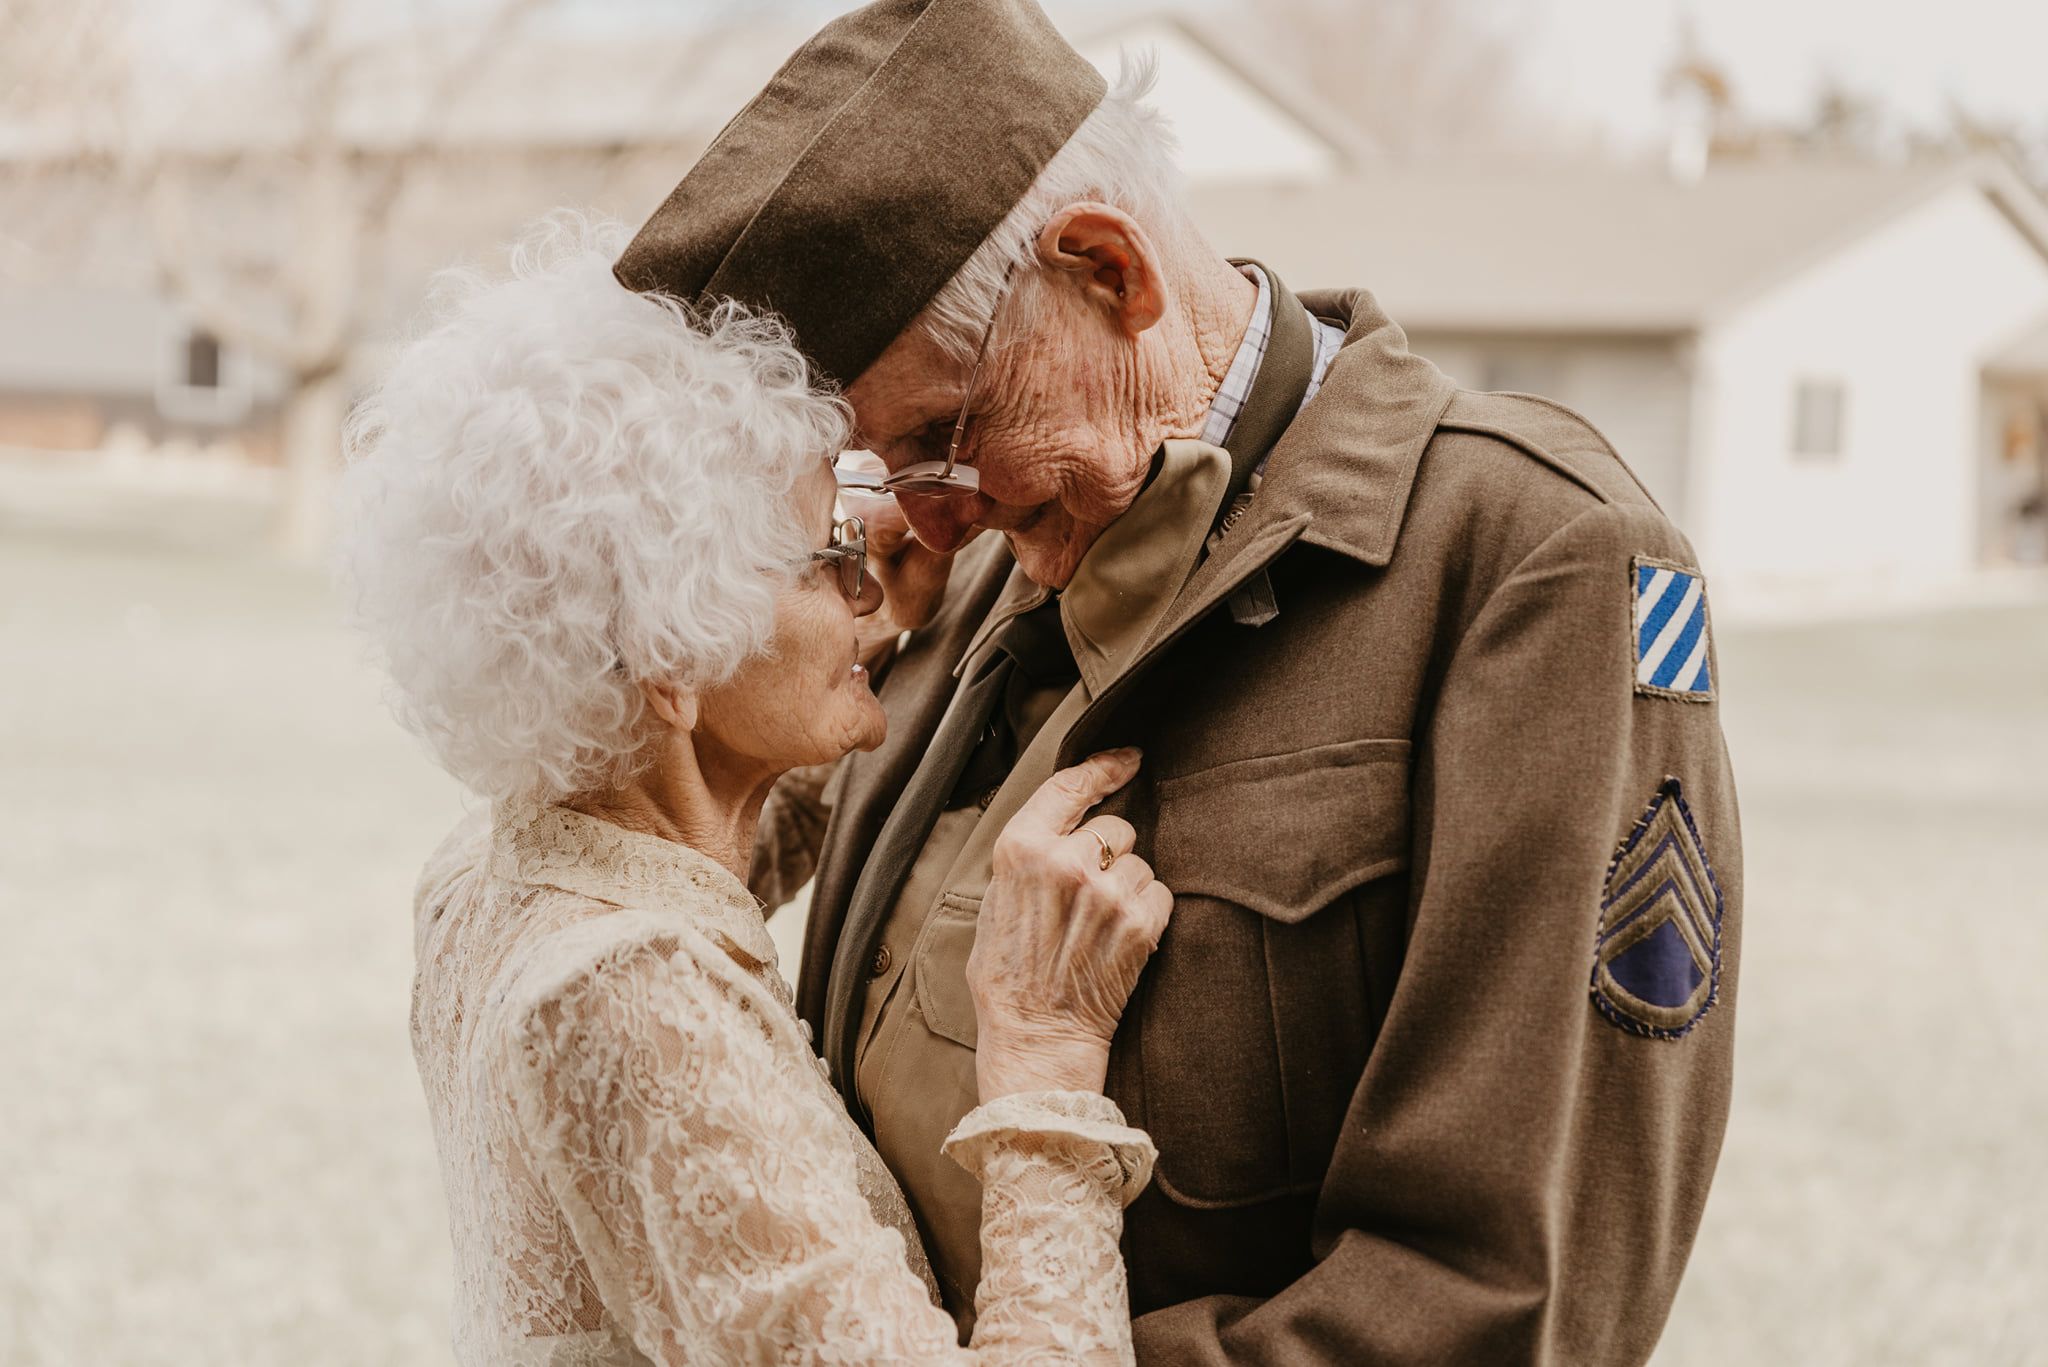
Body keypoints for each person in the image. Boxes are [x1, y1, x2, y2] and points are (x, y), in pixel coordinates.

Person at [615, 0, 1745, 1361]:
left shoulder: (1531, 562)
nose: (933, 511)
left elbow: (1508, 1297)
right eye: (889, 465)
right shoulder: (1004, 543)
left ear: (1108, 271)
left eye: (939, 432)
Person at [336, 218, 1178, 1365]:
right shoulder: (627, 988)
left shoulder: (490, 877)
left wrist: (856, 630)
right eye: (822, 557)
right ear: (670, 654)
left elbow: (707, 831)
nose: (866, 592)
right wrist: (1038, 1065)